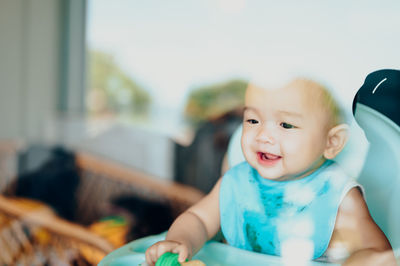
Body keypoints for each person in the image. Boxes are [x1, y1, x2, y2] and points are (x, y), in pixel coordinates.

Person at [146, 78, 395, 265]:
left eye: (286, 124)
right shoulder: (236, 181)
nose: (263, 135)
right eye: (252, 121)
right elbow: (198, 219)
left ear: (331, 143)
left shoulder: (336, 195)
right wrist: (180, 241)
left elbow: (378, 254)